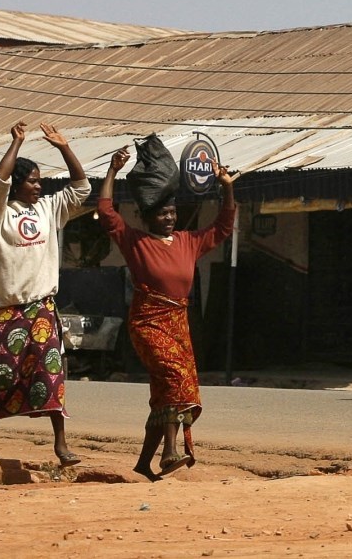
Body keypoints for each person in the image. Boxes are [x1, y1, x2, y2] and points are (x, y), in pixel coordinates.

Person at [98, 145, 236, 481]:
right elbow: (105, 211)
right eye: (162, 214)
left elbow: (223, 226)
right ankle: (169, 452)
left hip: (178, 324)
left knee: (165, 391)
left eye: (173, 212)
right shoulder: (135, 242)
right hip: (147, 322)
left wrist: (227, 187)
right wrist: (113, 171)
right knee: (175, 378)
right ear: (147, 218)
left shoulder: (189, 241)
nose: (170, 218)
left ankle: (143, 462)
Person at [0, 121, 89, 466]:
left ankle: (60, 445)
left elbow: (81, 188)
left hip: (41, 307)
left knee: (50, 372)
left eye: (40, 181)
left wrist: (64, 147)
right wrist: (16, 143)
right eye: (32, 180)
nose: (39, 187)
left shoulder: (48, 209)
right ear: (17, 185)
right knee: (2, 374)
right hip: (5, 310)